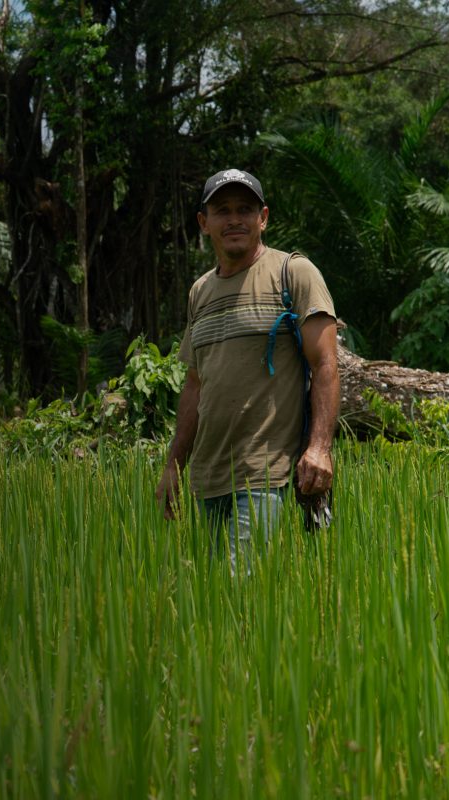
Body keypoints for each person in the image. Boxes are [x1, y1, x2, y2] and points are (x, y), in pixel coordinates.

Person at [155, 168, 340, 571]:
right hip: (207, 479)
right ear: (204, 223)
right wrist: (173, 465)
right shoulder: (199, 292)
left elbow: (326, 363)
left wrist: (320, 448)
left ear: (264, 218)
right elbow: (195, 385)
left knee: (242, 596)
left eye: (245, 209)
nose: (235, 219)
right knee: (215, 601)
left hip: (265, 475)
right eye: (223, 210)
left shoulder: (292, 274)